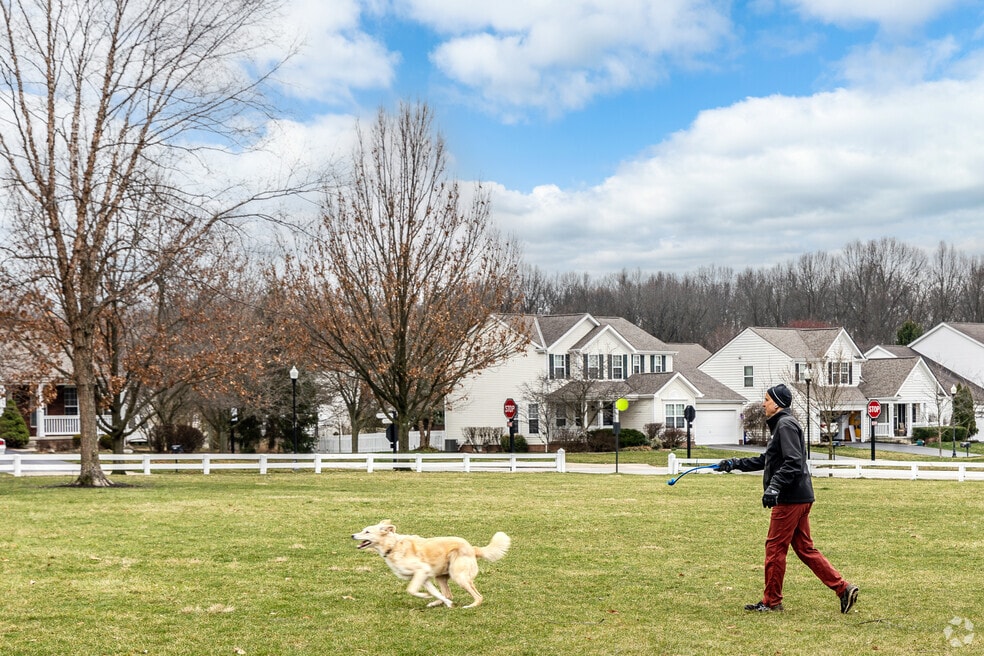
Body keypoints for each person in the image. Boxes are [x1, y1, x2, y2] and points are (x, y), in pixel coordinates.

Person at [718, 383, 859, 613]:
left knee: (774, 548)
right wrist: (735, 464)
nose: (763, 404)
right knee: (805, 548)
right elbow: (769, 459)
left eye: (766, 399)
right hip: (800, 496)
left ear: (777, 403)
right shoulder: (783, 425)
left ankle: (771, 602)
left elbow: (793, 461)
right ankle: (843, 589)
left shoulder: (785, 425)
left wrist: (774, 487)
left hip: (790, 499)